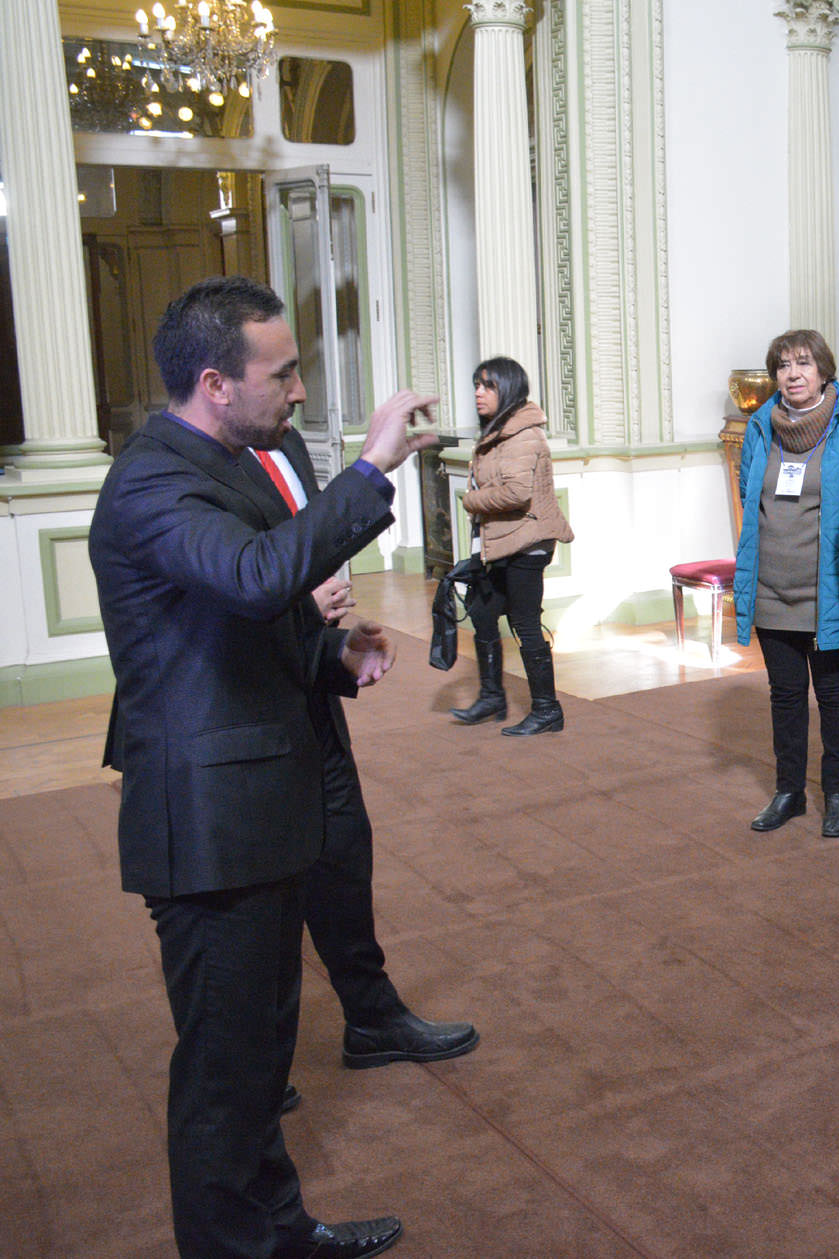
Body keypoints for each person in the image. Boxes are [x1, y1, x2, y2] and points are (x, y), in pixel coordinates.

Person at [89, 275, 435, 1259]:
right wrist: (371, 465)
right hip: (207, 820)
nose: (296, 389)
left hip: (252, 802)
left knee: (256, 1053)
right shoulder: (154, 477)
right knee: (225, 1072)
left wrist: (332, 653)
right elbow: (252, 577)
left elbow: (245, 621)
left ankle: (275, 1233)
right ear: (213, 381)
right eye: (281, 373)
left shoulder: (225, 461)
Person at [246, 430, 481, 1074]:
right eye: (282, 373)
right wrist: (297, 607)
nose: (299, 390)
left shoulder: (287, 443)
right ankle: (254, 1075)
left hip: (309, 682)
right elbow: (228, 591)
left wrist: (327, 635)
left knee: (343, 848)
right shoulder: (186, 469)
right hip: (243, 713)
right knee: (261, 903)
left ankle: (372, 1018)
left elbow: (309, 543)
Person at [733, 329, 839, 837]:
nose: (792, 374)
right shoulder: (758, 425)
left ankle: (838, 793)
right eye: (782, 366)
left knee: (837, 697)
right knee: (786, 695)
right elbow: (747, 492)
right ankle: (789, 791)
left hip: (830, 590)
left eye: (803, 364)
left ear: (824, 370)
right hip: (772, 587)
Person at [451, 356, 575, 736]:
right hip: (505, 542)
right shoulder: (497, 431)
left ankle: (547, 709)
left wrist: (471, 500)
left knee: (524, 622)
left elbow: (518, 492)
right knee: (483, 611)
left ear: (508, 389)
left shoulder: (523, 434)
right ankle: (492, 696)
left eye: (487, 386)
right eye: (476, 385)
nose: (478, 393)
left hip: (528, 542)